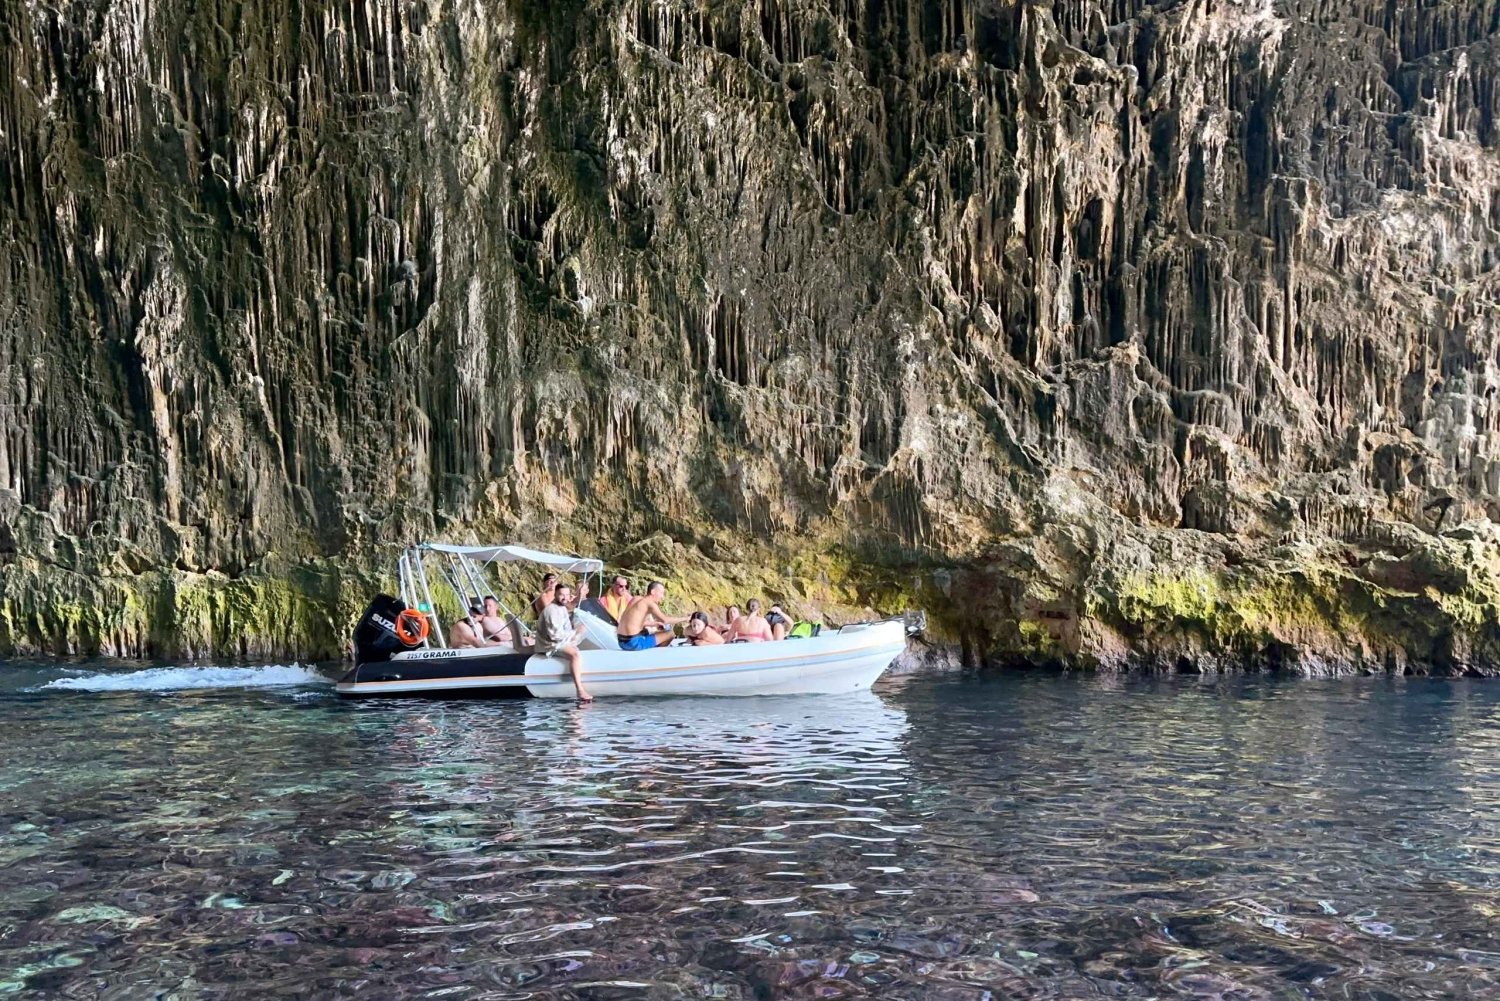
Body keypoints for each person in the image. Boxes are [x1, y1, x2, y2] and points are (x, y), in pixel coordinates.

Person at [535, 583, 592, 701]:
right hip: (550, 644)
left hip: (560, 640)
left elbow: (567, 627)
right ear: (555, 594)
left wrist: (577, 632)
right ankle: (579, 689)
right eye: (562, 595)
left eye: (567, 595)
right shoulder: (551, 610)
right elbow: (555, 636)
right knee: (575, 654)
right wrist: (576, 632)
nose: (565, 598)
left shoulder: (562, 607)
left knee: (582, 642)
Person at [615, 581, 689, 650]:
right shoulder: (650, 603)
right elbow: (665, 620)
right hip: (633, 643)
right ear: (653, 592)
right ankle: (655, 656)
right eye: (661, 593)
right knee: (670, 634)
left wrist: (654, 624)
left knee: (651, 632)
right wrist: (685, 618)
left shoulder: (636, 599)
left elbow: (633, 622)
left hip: (621, 641)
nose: (662, 597)